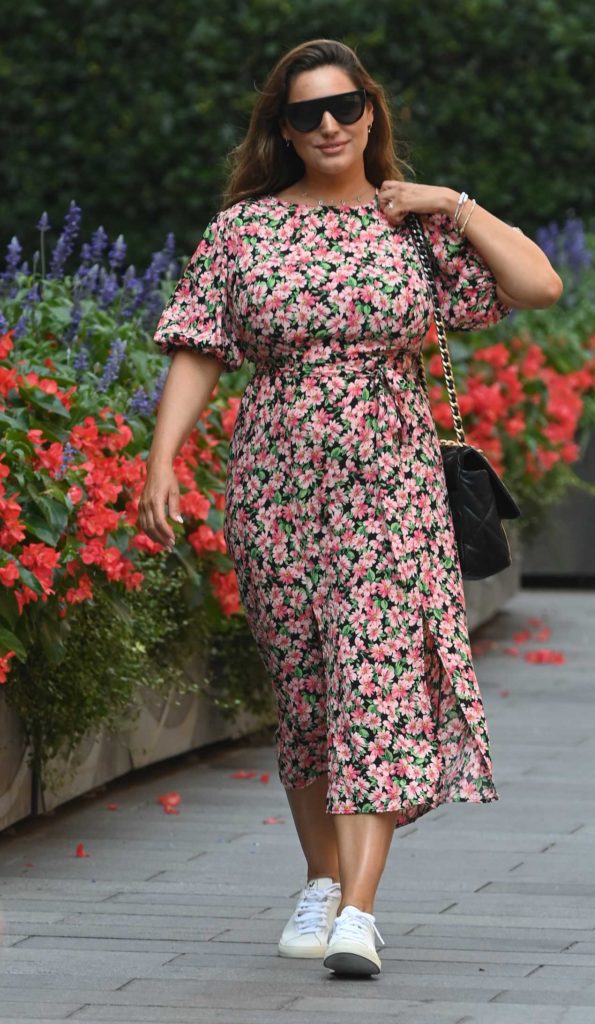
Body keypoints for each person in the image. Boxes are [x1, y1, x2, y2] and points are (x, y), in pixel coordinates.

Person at [138, 37, 562, 978]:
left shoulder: (412, 224)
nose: (326, 125)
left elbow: (538, 285)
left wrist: (448, 202)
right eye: (303, 114)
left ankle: (358, 915)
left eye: (343, 107)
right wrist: (162, 457)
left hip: (393, 484)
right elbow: (199, 347)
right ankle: (322, 881)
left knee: (374, 682)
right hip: (275, 486)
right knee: (309, 692)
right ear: (280, 129)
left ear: (370, 112)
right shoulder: (243, 230)